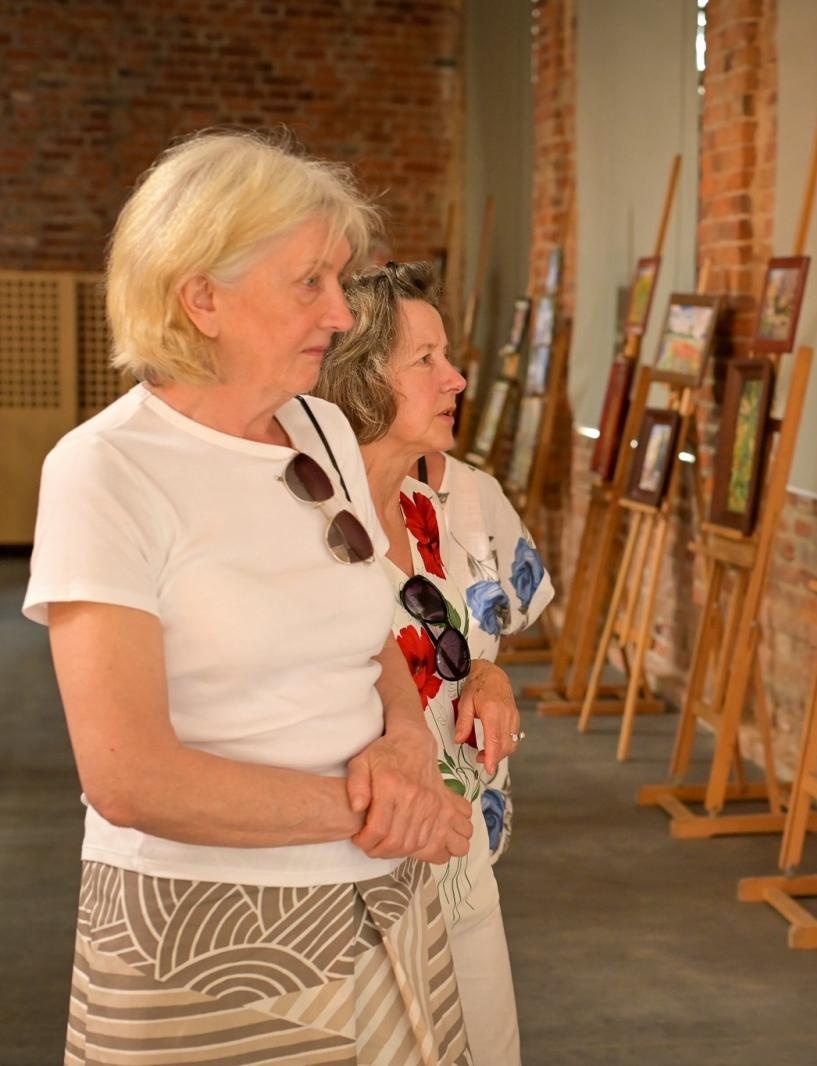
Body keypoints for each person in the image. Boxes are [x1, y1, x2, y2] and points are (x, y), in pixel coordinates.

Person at [25, 131, 474, 1063]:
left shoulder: (321, 428)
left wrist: (405, 742)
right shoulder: (106, 470)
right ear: (203, 298)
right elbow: (129, 777)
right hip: (205, 930)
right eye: (310, 282)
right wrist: (378, 810)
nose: (341, 314)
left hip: (376, 896)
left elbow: (370, 631)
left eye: (338, 280)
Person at [317, 261, 549, 1065]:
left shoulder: (447, 506)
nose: (455, 378)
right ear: (358, 378)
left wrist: (489, 674)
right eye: (426, 360)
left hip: (460, 854)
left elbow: (481, 641)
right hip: (353, 870)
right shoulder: (305, 524)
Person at [415, 440, 555, 869]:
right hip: (379, 782)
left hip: (469, 760)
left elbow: (518, 612)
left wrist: (485, 673)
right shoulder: (326, 486)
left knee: (466, 895)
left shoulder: (477, 492)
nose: (453, 404)